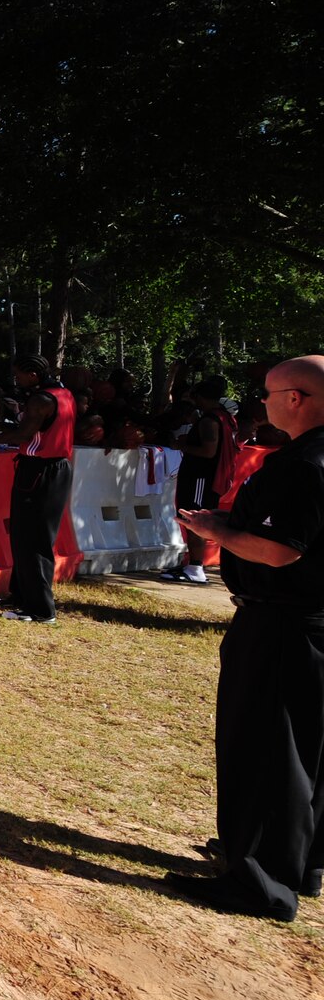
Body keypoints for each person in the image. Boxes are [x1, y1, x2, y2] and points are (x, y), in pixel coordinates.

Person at [167, 355, 324, 921]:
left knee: (266, 745)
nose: (261, 403)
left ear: (297, 399)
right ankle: (300, 861)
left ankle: (259, 878)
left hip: (283, 619)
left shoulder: (304, 463)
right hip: (309, 619)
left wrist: (218, 530)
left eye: (267, 393)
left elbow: (282, 549)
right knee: (308, 747)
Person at [0, 355, 76, 624]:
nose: (17, 380)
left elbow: (23, 435)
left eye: (19, 375)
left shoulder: (41, 399)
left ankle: (41, 609)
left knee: (34, 538)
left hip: (41, 470)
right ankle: (22, 595)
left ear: (33, 375)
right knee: (22, 533)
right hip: (50, 468)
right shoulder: (63, 394)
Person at [164, 376, 239, 586]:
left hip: (201, 478)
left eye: (195, 396)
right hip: (207, 477)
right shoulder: (224, 417)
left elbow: (208, 451)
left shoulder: (209, 420)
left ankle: (196, 567)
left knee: (194, 518)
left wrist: (182, 446)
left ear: (201, 397)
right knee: (193, 518)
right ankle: (192, 564)